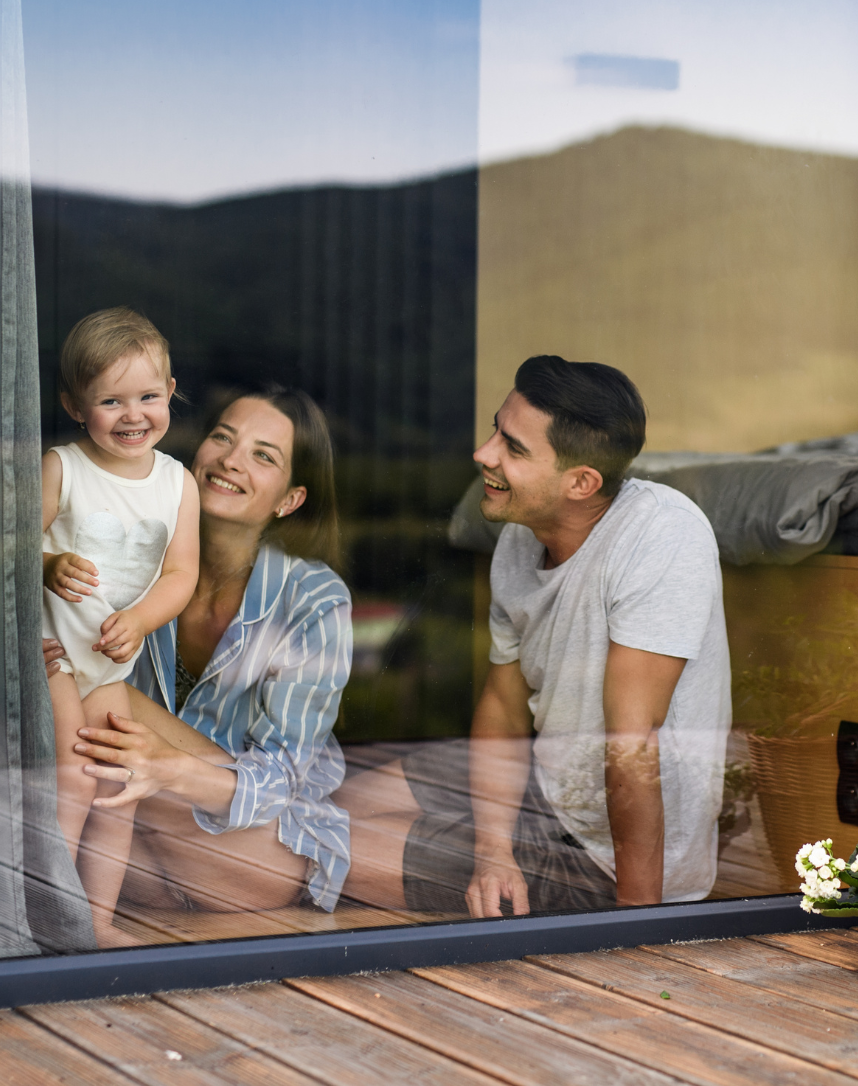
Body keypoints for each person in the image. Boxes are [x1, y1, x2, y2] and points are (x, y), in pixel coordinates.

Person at [335, 355, 730, 916]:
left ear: (580, 483)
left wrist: (639, 928)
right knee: (337, 811)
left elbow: (632, 747)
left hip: (606, 858)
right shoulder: (521, 536)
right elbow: (503, 704)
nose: (482, 454)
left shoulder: (662, 535)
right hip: (543, 784)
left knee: (317, 850)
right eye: (496, 428)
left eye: (513, 447)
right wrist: (494, 850)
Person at [58, 386, 352, 941]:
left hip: (250, 857)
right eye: (223, 437)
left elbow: (281, 780)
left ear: (289, 500)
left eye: (264, 456)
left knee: (99, 695)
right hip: (134, 848)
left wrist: (165, 765)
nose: (232, 461)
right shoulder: (134, 554)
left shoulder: (311, 598)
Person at [41, 307, 201, 942]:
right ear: (75, 406)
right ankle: (48, 920)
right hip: (50, 652)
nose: (133, 415)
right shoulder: (64, 468)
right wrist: (48, 563)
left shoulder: (176, 483)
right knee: (73, 780)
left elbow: (180, 575)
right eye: (111, 400)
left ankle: (97, 924)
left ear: (169, 394)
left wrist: (138, 619)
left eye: (148, 396)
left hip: (107, 662)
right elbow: (3, 547)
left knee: (117, 784)